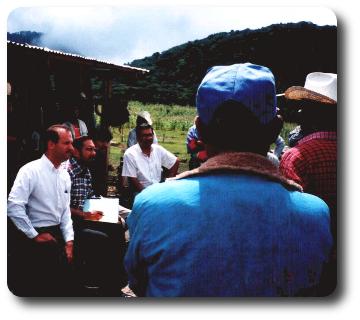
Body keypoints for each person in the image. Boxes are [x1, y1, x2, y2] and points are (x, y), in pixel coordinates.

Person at [124, 63, 333, 297]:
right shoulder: (315, 214)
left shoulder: (152, 205)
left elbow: (139, 283)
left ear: (199, 130)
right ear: (276, 130)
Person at [279, 72, 337, 295]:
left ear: (320, 113)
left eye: (306, 106)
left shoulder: (297, 157)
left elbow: (289, 221)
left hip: (311, 263)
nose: (300, 111)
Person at [7, 124, 75, 296]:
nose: (71, 148)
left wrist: (69, 241)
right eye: (66, 143)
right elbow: (14, 205)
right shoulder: (30, 171)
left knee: (58, 289)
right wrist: (34, 235)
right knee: (37, 290)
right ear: (51, 144)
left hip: (57, 234)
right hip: (35, 238)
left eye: (71, 143)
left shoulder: (65, 175)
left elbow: (65, 211)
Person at [67, 136, 128, 294]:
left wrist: (110, 213)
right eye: (89, 149)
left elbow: (90, 197)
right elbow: (60, 207)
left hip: (85, 217)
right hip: (70, 223)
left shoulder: (86, 171)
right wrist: (84, 214)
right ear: (76, 152)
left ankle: (116, 281)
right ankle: (103, 284)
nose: (94, 153)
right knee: (102, 239)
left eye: (94, 149)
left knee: (118, 227)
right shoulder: (67, 172)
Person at [122, 123, 179, 193]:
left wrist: (168, 183)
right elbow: (133, 179)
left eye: (150, 135)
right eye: (145, 135)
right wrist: (147, 195)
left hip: (158, 189)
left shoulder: (158, 149)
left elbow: (175, 161)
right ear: (138, 138)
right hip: (139, 192)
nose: (149, 138)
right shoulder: (130, 153)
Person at [89, 126, 113, 196]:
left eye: (107, 142)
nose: (106, 145)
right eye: (102, 141)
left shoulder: (101, 154)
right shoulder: (88, 157)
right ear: (93, 140)